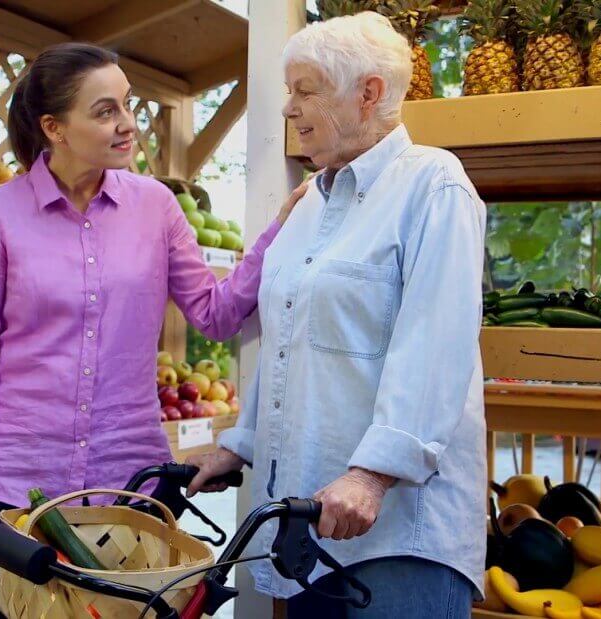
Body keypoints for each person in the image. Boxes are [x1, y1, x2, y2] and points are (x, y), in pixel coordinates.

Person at [0, 42, 305, 618]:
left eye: (128, 105)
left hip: (131, 491)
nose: (128, 124)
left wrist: (278, 231)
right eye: (105, 111)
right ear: (54, 128)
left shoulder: (156, 207)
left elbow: (215, 312)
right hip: (16, 498)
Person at [186, 12, 487, 618]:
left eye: (304, 90)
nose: (289, 110)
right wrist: (239, 446)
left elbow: (435, 345)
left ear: (368, 93)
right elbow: (287, 343)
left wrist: (372, 475)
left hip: (399, 535)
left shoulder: (434, 184)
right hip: (308, 524)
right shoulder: (305, 206)